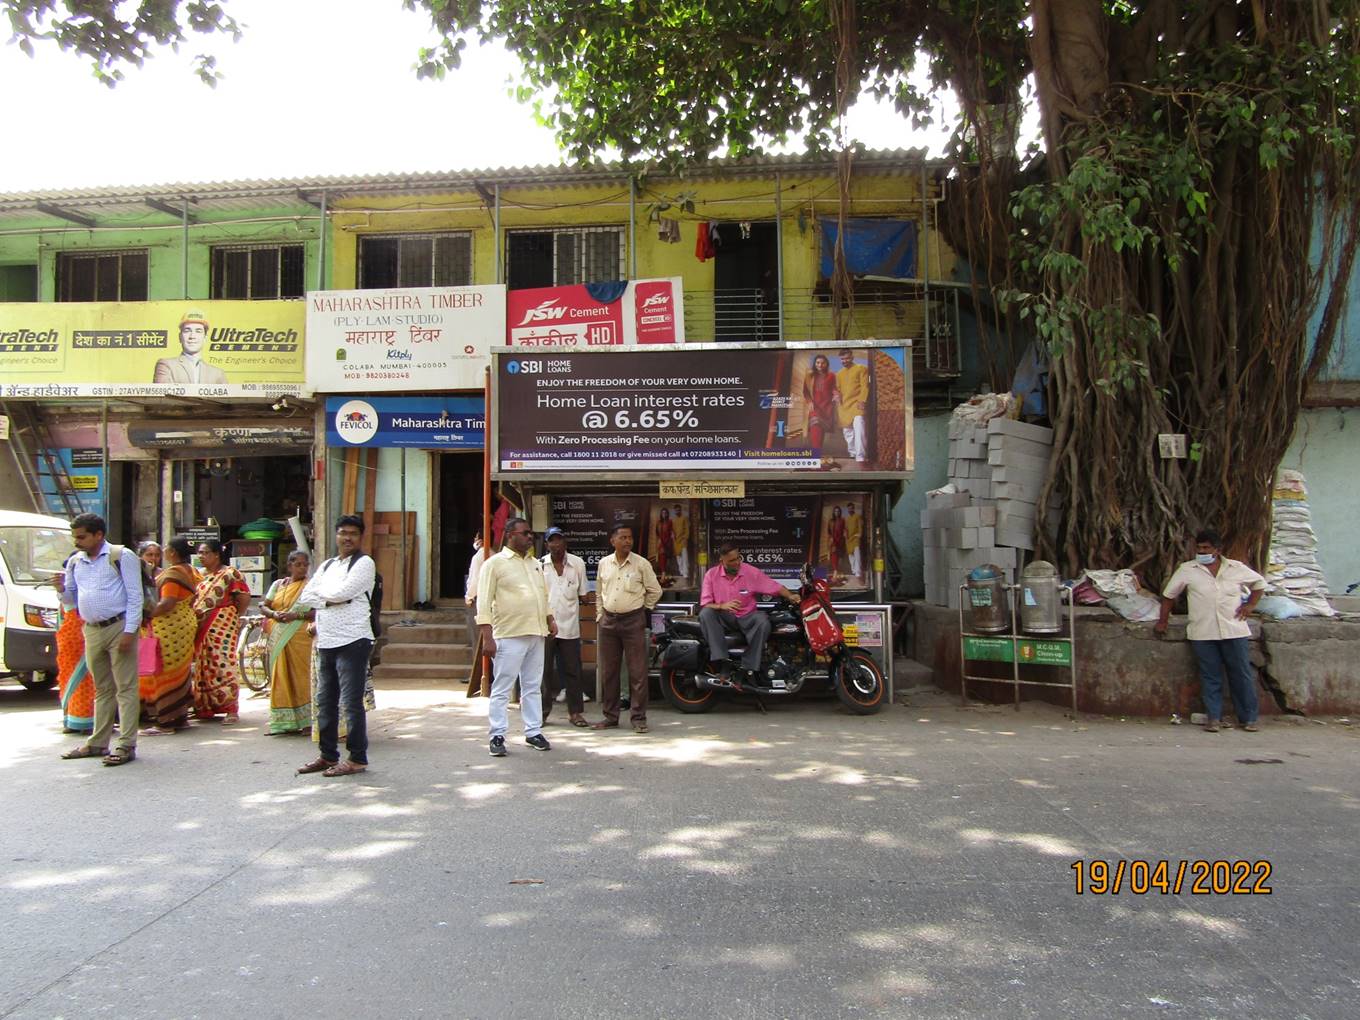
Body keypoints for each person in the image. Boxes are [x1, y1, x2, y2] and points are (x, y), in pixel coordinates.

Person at [1155, 528, 1266, 733]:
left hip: (1234, 630)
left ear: (1217, 549)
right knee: (1210, 675)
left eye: (1206, 548)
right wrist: (1163, 621)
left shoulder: (1235, 568)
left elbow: (1260, 584)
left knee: (1241, 675)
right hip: (1203, 632)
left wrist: (1250, 605)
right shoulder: (1188, 569)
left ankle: (1248, 718)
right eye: (1199, 547)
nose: (1202, 551)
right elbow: (1169, 596)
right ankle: (1214, 717)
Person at [55, 512, 143, 767]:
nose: (77, 541)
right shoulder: (75, 562)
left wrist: (130, 630)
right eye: (75, 537)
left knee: (125, 687)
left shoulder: (121, 556)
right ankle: (98, 742)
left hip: (119, 626)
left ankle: (126, 744)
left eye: (82, 537)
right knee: (103, 688)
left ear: (98, 535)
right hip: (92, 629)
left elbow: (135, 596)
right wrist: (61, 589)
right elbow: (71, 599)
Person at [296, 516, 377, 777]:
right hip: (326, 640)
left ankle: (357, 758)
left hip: (354, 639)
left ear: (360, 537)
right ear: (336, 535)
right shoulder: (328, 565)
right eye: (343, 533)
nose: (347, 538)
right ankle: (328, 755)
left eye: (353, 533)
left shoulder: (365, 563)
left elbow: (343, 592)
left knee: (351, 702)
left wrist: (327, 598)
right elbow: (306, 596)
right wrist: (329, 600)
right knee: (325, 700)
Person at [477, 517, 555, 756]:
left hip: (536, 632)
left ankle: (533, 731)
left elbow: (543, 594)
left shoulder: (534, 563)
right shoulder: (494, 564)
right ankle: (497, 735)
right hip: (509, 634)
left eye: (530, 533)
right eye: (526, 533)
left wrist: (550, 619)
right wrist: (487, 637)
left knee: (532, 686)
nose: (530, 537)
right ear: (511, 535)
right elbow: (483, 602)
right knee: (502, 687)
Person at [592, 523, 662, 734]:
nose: (627, 541)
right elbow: (598, 592)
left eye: (630, 537)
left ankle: (638, 718)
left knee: (637, 672)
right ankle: (611, 717)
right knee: (609, 671)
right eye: (622, 537)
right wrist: (599, 614)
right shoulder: (604, 563)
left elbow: (655, 590)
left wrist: (644, 610)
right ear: (612, 541)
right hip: (608, 622)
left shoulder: (641, 564)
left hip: (633, 621)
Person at [699, 543, 796, 682]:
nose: (737, 562)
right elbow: (706, 604)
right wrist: (722, 606)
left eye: (738, 558)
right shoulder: (711, 575)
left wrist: (790, 595)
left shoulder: (750, 572)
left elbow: (774, 586)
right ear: (722, 561)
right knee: (706, 613)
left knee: (763, 621)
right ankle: (723, 661)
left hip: (747, 617)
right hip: (724, 617)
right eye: (732, 560)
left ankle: (747, 667)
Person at [137, 536, 197, 734]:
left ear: (172, 553)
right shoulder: (189, 570)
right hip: (184, 624)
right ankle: (179, 717)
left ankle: (166, 722)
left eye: (164, 550)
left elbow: (167, 602)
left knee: (164, 672)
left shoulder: (172, 573)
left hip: (170, 628)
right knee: (180, 671)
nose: (161, 553)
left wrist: (146, 614)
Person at [191, 539, 249, 724]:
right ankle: (206, 707)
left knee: (223, 662)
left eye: (205, 552)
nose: (201, 556)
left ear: (216, 554)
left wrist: (232, 615)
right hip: (201, 627)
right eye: (199, 553)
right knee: (203, 665)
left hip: (222, 624)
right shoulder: (199, 576)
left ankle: (231, 708)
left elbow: (243, 598)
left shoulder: (231, 574)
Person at [258, 550, 315, 735]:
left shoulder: (310, 586)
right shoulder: (278, 584)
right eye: (298, 565)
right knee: (280, 676)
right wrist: (273, 614)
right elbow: (263, 605)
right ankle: (284, 723)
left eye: (305, 564)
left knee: (302, 677)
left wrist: (295, 615)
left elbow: (317, 611)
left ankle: (308, 722)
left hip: (300, 638)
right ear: (290, 566)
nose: (302, 568)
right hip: (278, 635)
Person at [540, 526, 591, 728]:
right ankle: (542, 713)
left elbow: (584, 594)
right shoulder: (539, 565)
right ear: (547, 544)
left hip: (569, 627)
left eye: (559, 540)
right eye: (552, 540)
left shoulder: (577, 564)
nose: (556, 544)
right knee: (542, 671)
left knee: (573, 671)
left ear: (565, 542)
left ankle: (575, 712)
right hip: (545, 627)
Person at [153, 310, 228, 384]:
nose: (192, 336)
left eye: (198, 331)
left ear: (205, 338)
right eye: (187, 331)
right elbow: (162, 395)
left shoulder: (218, 374)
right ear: (180, 337)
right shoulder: (166, 366)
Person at [834, 348, 870, 464]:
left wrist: (862, 401)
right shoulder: (839, 374)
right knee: (847, 431)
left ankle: (861, 456)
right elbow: (838, 389)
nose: (845, 361)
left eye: (847, 358)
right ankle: (853, 452)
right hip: (844, 405)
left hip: (857, 403)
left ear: (852, 357)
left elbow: (865, 386)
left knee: (859, 426)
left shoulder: (861, 369)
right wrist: (837, 396)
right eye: (842, 359)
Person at [802, 353, 837, 449]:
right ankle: (816, 456)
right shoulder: (810, 376)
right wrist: (809, 401)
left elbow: (834, 388)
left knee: (821, 432)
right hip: (814, 407)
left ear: (827, 364)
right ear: (815, 363)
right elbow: (805, 391)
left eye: (823, 363)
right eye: (817, 363)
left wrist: (836, 394)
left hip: (827, 407)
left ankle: (817, 454)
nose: (820, 365)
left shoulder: (831, 376)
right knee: (815, 429)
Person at [827, 505, 848, 582]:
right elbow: (829, 532)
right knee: (833, 557)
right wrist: (830, 539)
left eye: (838, 511)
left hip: (841, 541)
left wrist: (845, 535)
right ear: (833, 512)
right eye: (835, 511)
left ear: (840, 512)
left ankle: (837, 574)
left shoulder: (842, 520)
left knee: (839, 558)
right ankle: (835, 574)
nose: (837, 512)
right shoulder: (830, 521)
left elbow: (845, 529)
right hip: (833, 541)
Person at [654, 507, 676, 582]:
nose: (664, 514)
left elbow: (672, 530)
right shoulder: (658, 522)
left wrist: (673, 536)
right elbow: (657, 532)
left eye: (665, 513)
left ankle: (668, 574)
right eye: (663, 513)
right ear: (661, 514)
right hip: (661, 542)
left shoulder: (670, 521)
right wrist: (658, 541)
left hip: (668, 541)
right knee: (662, 557)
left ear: (667, 514)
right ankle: (663, 574)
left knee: (668, 557)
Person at [671, 504, 690, 580]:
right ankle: (681, 571)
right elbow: (672, 530)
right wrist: (672, 535)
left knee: (685, 557)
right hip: (676, 541)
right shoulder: (673, 520)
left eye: (679, 510)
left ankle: (685, 573)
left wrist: (685, 538)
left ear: (680, 510)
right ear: (674, 511)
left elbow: (687, 529)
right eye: (676, 510)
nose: (678, 511)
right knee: (678, 557)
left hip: (683, 540)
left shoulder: (684, 518)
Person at [845, 502, 863, 578]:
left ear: (853, 508)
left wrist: (859, 534)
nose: (850, 509)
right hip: (849, 540)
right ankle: (854, 570)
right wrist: (845, 535)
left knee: (857, 555)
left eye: (851, 508)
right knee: (850, 556)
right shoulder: (847, 518)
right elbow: (846, 529)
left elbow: (860, 526)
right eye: (848, 508)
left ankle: (858, 571)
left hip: (855, 538)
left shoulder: (858, 516)